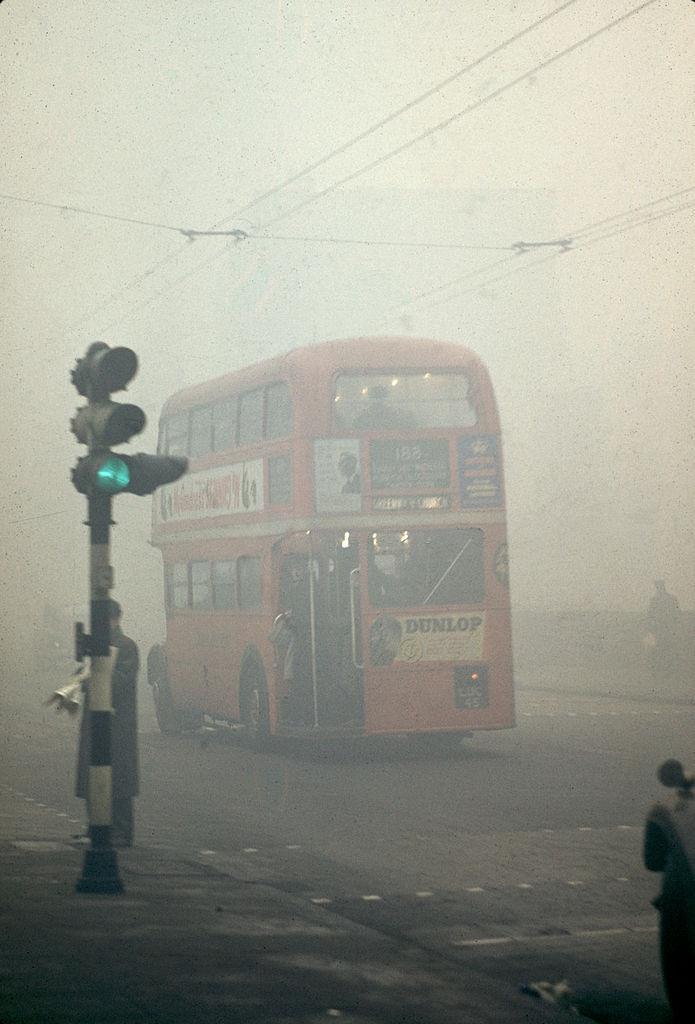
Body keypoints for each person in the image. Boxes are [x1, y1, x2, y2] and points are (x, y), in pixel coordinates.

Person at [75, 599, 140, 847]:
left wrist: (98, 668)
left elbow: (120, 682)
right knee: (94, 777)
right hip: (97, 722)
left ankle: (122, 832)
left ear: (115, 619)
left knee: (119, 780)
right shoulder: (98, 645)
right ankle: (96, 827)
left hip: (117, 725)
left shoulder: (126, 646)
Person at [647, 580, 682, 679]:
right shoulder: (671, 599)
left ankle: (659, 670)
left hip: (660, 629)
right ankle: (668, 669)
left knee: (660, 649)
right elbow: (677, 614)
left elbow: (650, 615)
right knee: (668, 648)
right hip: (668, 629)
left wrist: (650, 628)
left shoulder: (654, 600)